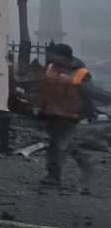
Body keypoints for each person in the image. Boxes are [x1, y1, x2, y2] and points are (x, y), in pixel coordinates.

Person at [37, 43, 94, 190]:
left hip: (70, 114)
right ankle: (84, 161)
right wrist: (41, 108)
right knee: (58, 143)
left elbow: (88, 95)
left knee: (58, 145)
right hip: (51, 112)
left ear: (63, 56)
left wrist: (88, 112)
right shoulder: (50, 68)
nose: (49, 57)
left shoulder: (81, 73)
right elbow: (45, 90)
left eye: (52, 54)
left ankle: (53, 177)